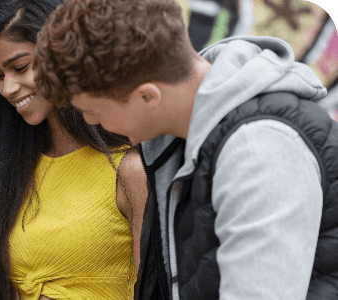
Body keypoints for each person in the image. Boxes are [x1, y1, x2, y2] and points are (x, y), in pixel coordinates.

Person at [34, 0, 338, 299]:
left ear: (147, 97)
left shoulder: (258, 152)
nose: (90, 122)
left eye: (92, 110)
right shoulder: (184, 138)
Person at [0, 1, 148, 299]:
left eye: (20, 67)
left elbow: (156, 286)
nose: (8, 88)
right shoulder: (18, 164)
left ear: (67, 55)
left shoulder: (128, 168)